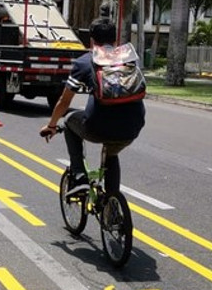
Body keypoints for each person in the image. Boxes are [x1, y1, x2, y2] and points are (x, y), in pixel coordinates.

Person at [39, 18, 145, 197]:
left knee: (69, 121)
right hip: (133, 126)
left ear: (91, 41)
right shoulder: (130, 60)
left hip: (97, 127)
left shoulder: (84, 62)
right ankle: (112, 202)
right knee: (112, 152)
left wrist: (51, 126)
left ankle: (79, 176)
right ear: (115, 40)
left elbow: (64, 102)